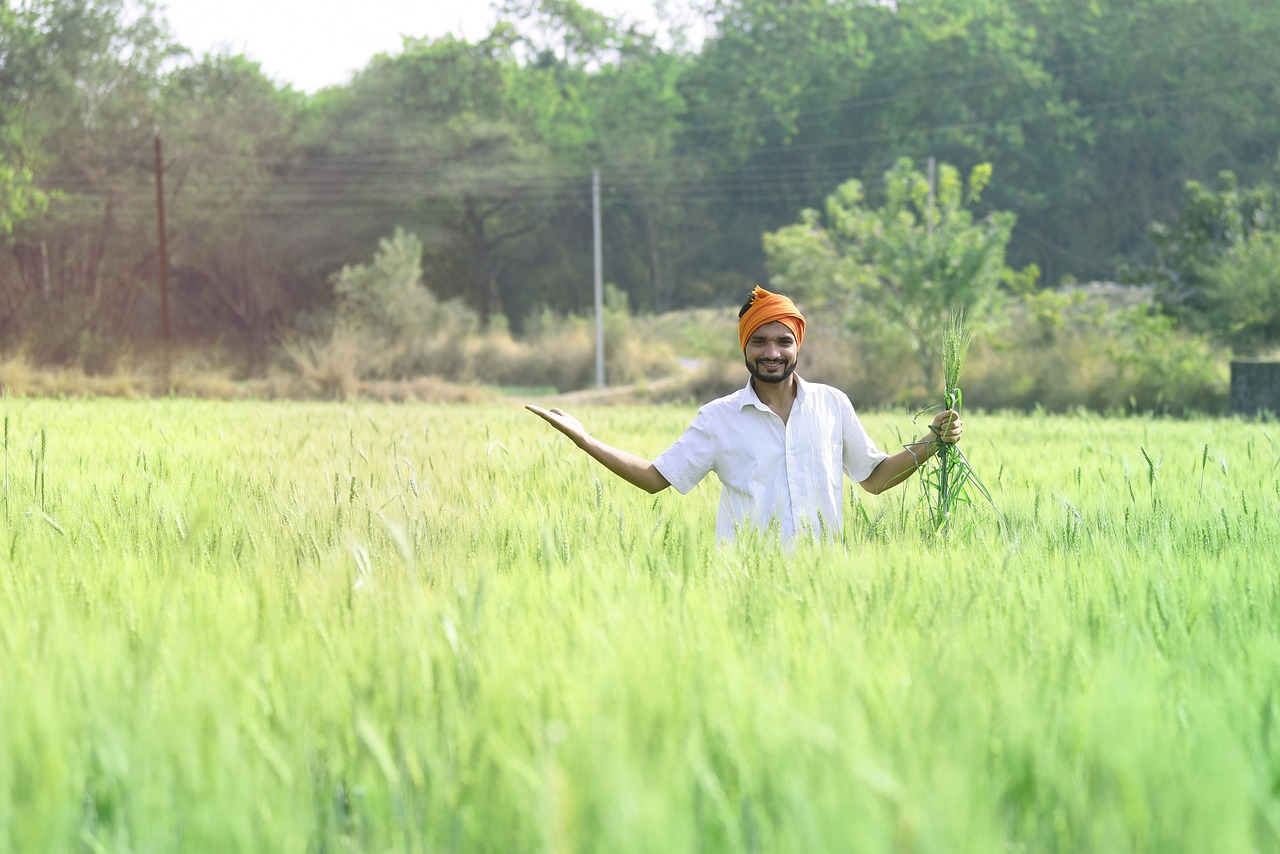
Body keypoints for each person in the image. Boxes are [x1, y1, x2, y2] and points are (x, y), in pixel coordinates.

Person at [526, 285, 963, 542]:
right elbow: (655, 478)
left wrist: (933, 441)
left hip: (824, 587)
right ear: (744, 347)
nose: (772, 353)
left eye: (783, 341)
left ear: (797, 345)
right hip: (745, 585)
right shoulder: (718, 418)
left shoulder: (832, 404)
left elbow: (875, 478)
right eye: (759, 341)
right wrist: (585, 440)